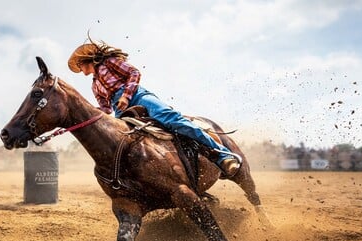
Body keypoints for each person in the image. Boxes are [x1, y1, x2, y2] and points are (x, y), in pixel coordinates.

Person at [67, 39, 241, 177]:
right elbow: (106, 108)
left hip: (138, 96)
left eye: (79, 65)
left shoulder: (110, 62)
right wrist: (91, 113)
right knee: (122, 144)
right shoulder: (95, 85)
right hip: (119, 109)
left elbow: (134, 73)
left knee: (171, 119)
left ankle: (223, 155)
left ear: (86, 60)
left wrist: (126, 96)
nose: (80, 69)